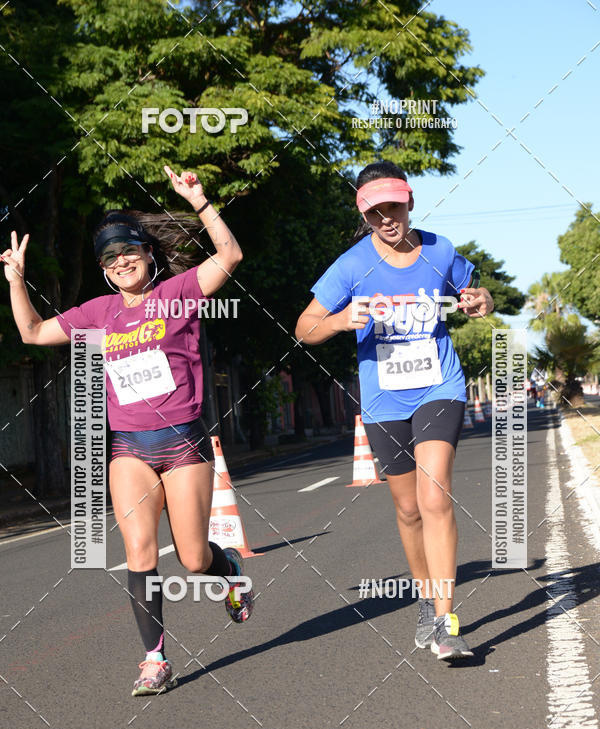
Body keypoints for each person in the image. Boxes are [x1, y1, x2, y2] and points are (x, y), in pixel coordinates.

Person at [2, 165, 254, 695]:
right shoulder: (98, 313)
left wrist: (200, 200)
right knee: (139, 552)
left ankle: (227, 567)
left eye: (130, 253)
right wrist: (16, 280)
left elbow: (228, 256)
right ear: (104, 270)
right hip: (128, 451)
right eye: (111, 259)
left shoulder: (179, 295)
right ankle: (154, 659)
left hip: (183, 444)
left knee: (191, 558)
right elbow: (29, 332)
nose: (121, 263)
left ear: (148, 256)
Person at [295, 161, 494, 660]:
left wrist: (480, 300)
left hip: (438, 387)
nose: (387, 219)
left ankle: (447, 620)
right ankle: (427, 599)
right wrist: (340, 320)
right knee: (407, 510)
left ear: (410, 202)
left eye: (394, 207)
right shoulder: (350, 266)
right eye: (375, 212)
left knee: (434, 498)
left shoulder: (440, 250)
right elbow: (304, 327)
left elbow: (476, 290)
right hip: (384, 398)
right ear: (364, 215)